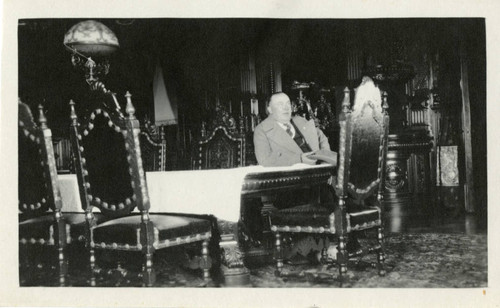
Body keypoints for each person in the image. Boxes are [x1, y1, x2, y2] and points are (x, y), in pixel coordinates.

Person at [253, 92, 333, 167]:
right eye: (280, 104)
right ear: (270, 109)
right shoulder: (262, 130)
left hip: (320, 171)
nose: (286, 108)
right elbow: (265, 161)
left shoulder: (300, 120)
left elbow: (321, 137)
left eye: (288, 103)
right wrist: (299, 159)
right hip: (292, 177)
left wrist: (326, 161)